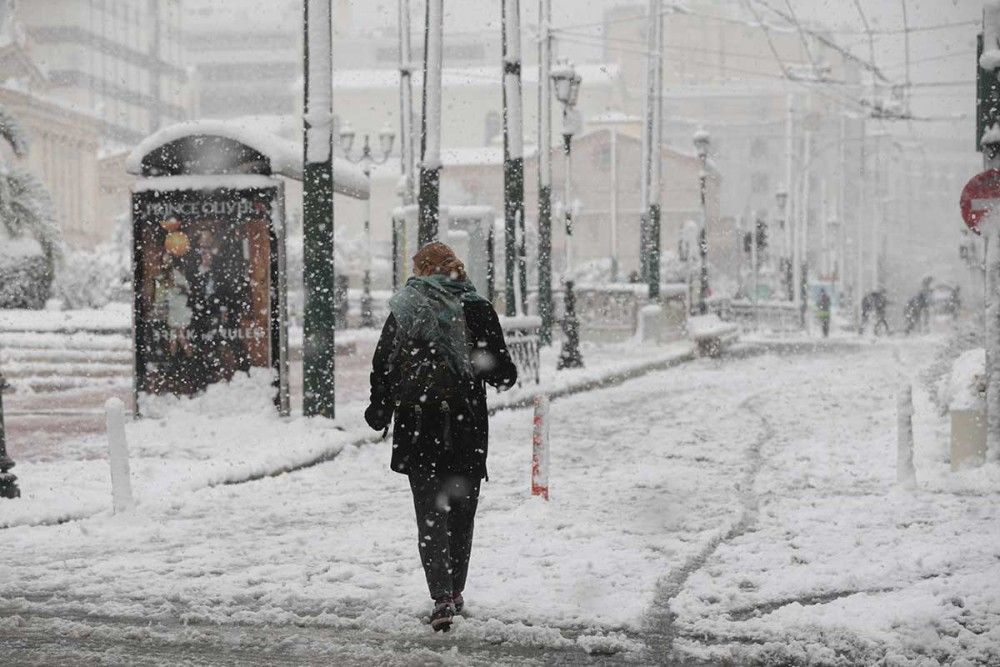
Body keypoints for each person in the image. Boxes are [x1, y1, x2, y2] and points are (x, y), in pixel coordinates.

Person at [365, 242, 518, 632]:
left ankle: (441, 596)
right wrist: (481, 366)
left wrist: (380, 408)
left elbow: (383, 363)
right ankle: (456, 590)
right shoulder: (477, 306)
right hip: (466, 426)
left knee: (431, 514)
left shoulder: (407, 306)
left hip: (420, 426)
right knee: (461, 514)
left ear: (421, 269)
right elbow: (502, 372)